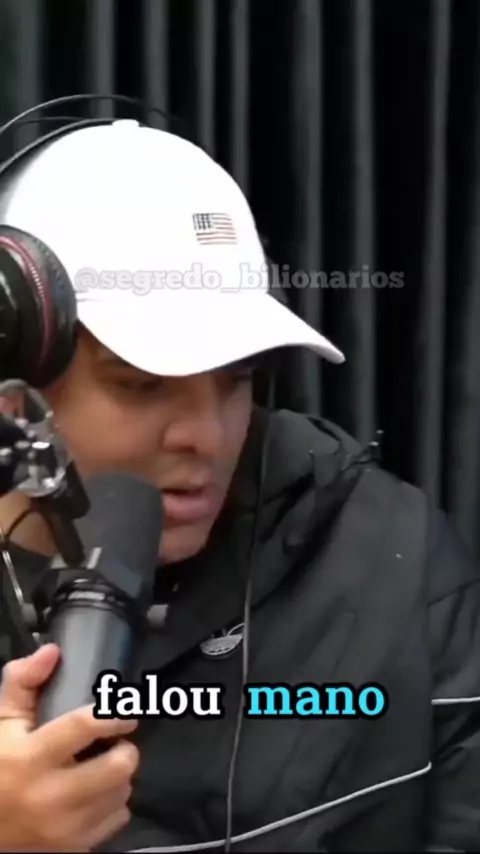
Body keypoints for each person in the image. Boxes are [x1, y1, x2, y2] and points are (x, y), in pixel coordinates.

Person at [0, 118, 479, 854]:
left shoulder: (394, 556)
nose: (210, 435)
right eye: (146, 382)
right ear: (15, 392)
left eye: (237, 378)